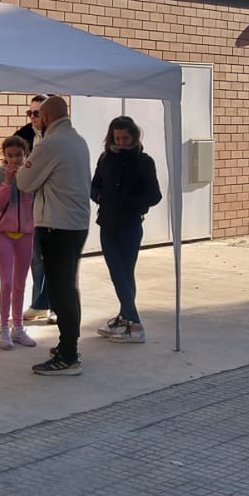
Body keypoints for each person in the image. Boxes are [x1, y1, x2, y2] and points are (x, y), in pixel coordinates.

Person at [14, 96, 92, 376]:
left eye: (36, 115)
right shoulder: (78, 140)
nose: (34, 120)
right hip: (76, 224)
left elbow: (24, 181)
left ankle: (68, 356)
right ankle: (68, 346)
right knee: (68, 287)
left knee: (61, 291)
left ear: (46, 117)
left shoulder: (50, 144)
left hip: (57, 225)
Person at [89, 116, 162, 345]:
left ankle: (134, 323)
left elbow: (155, 195)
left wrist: (129, 202)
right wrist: (100, 197)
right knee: (119, 273)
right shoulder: (105, 158)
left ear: (134, 137)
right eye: (117, 138)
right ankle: (125, 318)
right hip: (107, 224)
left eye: (125, 138)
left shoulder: (144, 161)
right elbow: (94, 185)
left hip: (130, 224)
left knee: (123, 273)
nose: (120, 143)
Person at [0, 135, 37, 350]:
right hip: (4, 233)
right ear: (4, 156)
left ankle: (18, 327)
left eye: (19, 155)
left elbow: (33, 201)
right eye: (10, 155)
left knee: (20, 282)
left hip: (26, 233)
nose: (14, 159)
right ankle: (3, 327)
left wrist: (24, 180)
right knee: (6, 282)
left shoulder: (31, 172)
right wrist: (8, 182)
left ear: (25, 154)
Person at [15, 95, 54, 323]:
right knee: (35, 257)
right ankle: (39, 304)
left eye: (37, 113)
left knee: (53, 258)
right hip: (29, 202)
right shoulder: (23, 136)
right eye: (30, 113)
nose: (32, 117)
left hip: (52, 204)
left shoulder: (56, 137)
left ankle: (52, 304)